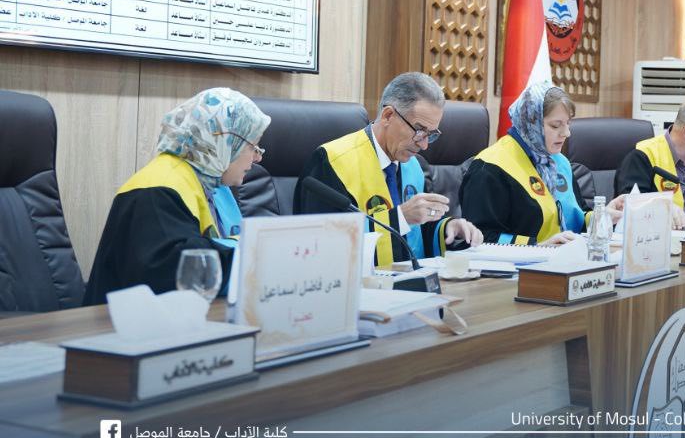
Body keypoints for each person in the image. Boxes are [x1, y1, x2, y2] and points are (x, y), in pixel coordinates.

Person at [84, 88, 269, 304]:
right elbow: (176, 272)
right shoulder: (156, 189)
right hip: (119, 322)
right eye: (253, 146)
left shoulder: (215, 186)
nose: (258, 158)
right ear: (225, 142)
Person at [294, 72, 481, 265]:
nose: (424, 145)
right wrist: (400, 218)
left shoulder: (415, 166)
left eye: (430, 134)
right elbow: (321, 243)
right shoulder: (331, 162)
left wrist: (449, 227)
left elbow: (419, 231)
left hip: (413, 280)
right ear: (388, 115)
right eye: (419, 131)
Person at [460, 81, 623, 245]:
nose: (566, 133)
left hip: (565, 257)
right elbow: (480, 236)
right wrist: (538, 246)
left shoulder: (559, 162)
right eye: (555, 126)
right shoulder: (489, 168)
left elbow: (574, 219)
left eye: (568, 123)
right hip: (520, 261)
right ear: (530, 123)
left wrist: (602, 217)